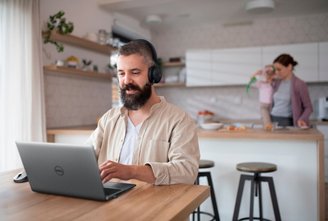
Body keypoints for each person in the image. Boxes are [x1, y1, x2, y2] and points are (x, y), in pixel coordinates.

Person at [87, 39, 200, 185]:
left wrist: (133, 171)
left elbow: (186, 171)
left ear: (154, 75)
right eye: (121, 73)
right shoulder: (109, 119)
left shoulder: (179, 120)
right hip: (109, 202)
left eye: (135, 72)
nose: (126, 81)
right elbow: (85, 158)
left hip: (153, 205)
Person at [271, 53, 313, 128]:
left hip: (286, 122)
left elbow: (308, 107)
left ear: (289, 67)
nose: (276, 72)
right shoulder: (276, 83)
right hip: (272, 120)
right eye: (275, 69)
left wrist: (302, 119)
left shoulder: (299, 84)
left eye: (279, 69)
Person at [251, 65, 276, 130]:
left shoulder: (273, 83)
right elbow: (252, 79)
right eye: (266, 74)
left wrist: (270, 72)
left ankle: (268, 128)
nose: (267, 76)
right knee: (266, 120)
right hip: (263, 104)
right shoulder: (261, 84)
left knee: (268, 118)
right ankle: (268, 128)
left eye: (269, 74)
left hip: (271, 104)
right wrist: (256, 73)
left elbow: (276, 77)